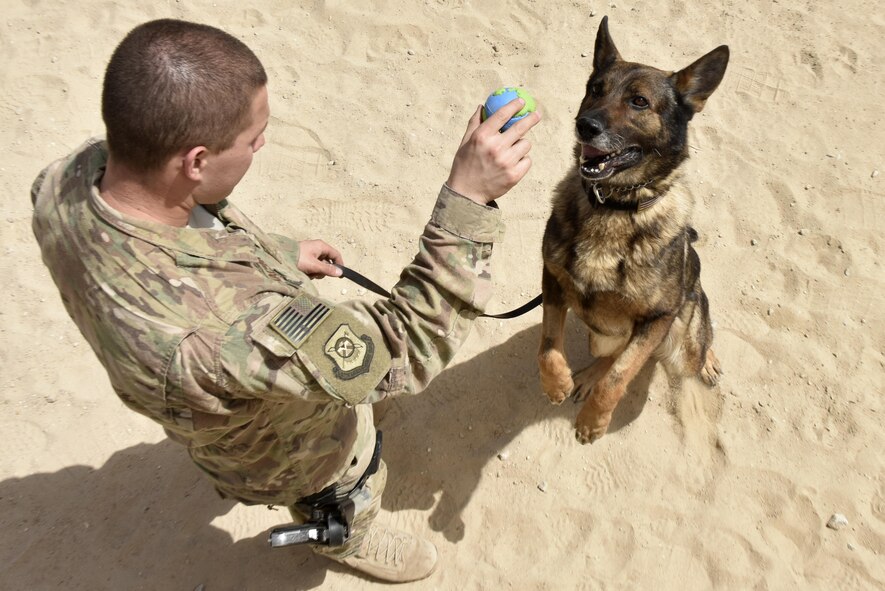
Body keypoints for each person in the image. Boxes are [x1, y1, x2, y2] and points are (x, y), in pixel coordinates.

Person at [31, 19, 539, 583]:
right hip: (293, 447)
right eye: (253, 138)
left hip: (211, 388)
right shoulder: (233, 331)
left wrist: (273, 255)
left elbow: (182, 246)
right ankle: (346, 534)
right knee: (347, 474)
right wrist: (468, 197)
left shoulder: (69, 181)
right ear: (196, 162)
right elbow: (402, 350)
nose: (262, 144)